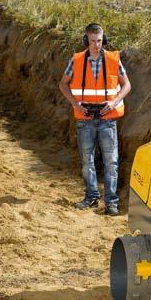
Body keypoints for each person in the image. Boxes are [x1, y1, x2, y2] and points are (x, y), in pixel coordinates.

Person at [58, 23, 131, 216]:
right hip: (85, 119)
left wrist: (114, 102)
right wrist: (75, 104)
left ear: (103, 40)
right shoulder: (76, 60)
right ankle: (91, 197)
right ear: (86, 40)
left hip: (108, 119)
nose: (96, 45)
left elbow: (127, 85)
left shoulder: (114, 60)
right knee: (87, 160)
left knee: (111, 162)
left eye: (99, 41)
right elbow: (63, 84)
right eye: (92, 41)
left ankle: (111, 202)